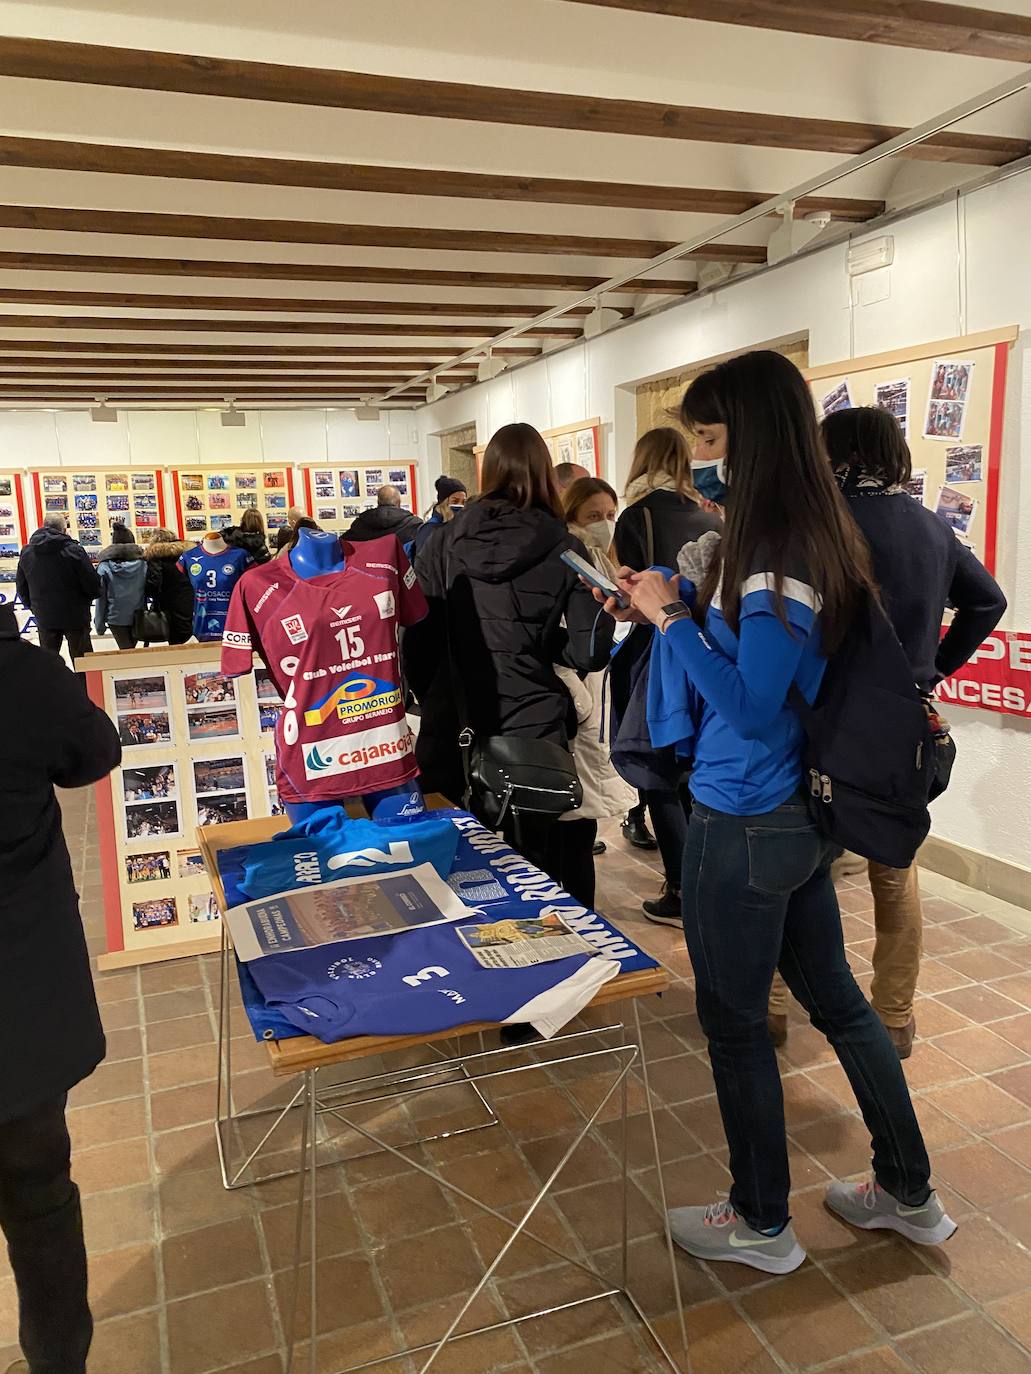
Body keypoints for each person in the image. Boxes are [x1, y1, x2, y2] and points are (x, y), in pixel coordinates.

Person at [598, 351, 954, 1273]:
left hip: (744, 815)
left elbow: (753, 706)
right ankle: (907, 1190)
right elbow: (779, 677)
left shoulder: (770, 552)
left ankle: (761, 1220)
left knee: (735, 1026)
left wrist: (670, 623)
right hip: (794, 812)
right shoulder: (808, 535)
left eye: (709, 439)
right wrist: (672, 604)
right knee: (837, 1002)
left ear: (747, 437)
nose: (700, 459)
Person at [768, 406, 1007, 1056]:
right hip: (903, 723)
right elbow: (987, 600)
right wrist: (933, 669)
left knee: (791, 864)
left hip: (824, 716)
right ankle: (894, 1016)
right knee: (893, 868)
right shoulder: (930, 525)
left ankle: (771, 1004)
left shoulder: (818, 526)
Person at [404, 422, 614, 903]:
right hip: (532, 727)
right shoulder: (567, 548)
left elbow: (418, 639)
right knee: (545, 864)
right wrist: (543, 646)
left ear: (488, 472)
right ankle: (562, 963)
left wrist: (432, 695)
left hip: (453, 721)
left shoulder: (438, 541)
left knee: (454, 870)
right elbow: (590, 653)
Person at [0, 601, 121, 1374]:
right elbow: (92, 750)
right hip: (17, 1004)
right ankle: (57, 1364)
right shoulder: (16, 675)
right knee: (40, 1196)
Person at [614, 429, 722, 922]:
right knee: (690, 776)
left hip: (654, 648)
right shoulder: (707, 514)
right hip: (702, 647)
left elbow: (626, 587)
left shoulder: (638, 515)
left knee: (657, 772)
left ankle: (681, 886)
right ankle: (702, 879)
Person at [559, 477, 637, 870]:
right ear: (571, 515)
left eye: (610, 514)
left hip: (597, 690)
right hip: (578, 691)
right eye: (593, 515)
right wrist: (581, 700)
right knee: (579, 799)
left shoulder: (602, 559)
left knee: (588, 798)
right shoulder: (571, 560)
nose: (604, 522)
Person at [15, 514, 101, 662]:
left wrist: (35, 607)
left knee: (48, 665)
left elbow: (21, 587)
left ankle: (51, 686)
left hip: (45, 615)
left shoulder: (27, 552)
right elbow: (92, 583)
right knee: (83, 664)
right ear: (64, 529)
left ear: (43, 526)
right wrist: (87, 600)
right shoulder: (74, 551)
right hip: (76, 615)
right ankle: (83, 686)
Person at [93, 523, 147, 650]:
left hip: (115, 619)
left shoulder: (104, 567)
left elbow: (101, 599)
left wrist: (99, 625)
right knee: (130, 652)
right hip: (138, 615)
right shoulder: (143, 565)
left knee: (126, 652)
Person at [142, 529, 195, 645]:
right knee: (187, 635)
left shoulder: (155, 558)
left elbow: (153, 585)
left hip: (168, 605)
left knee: (175, 640)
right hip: (189, 601)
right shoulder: (186, 555)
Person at [345, 485, 422, 549]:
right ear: (398, 502)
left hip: (366, 566)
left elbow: (345, 543)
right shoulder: (414, 524)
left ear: (378, 502)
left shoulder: (360, 523)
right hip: (403, 567)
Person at [412, 475, 468, 560]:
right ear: (444, 502)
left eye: (463, 502)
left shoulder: (461, 527)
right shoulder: (429, 529)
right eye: (455, 501)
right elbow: (422, 563)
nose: (460, 506)